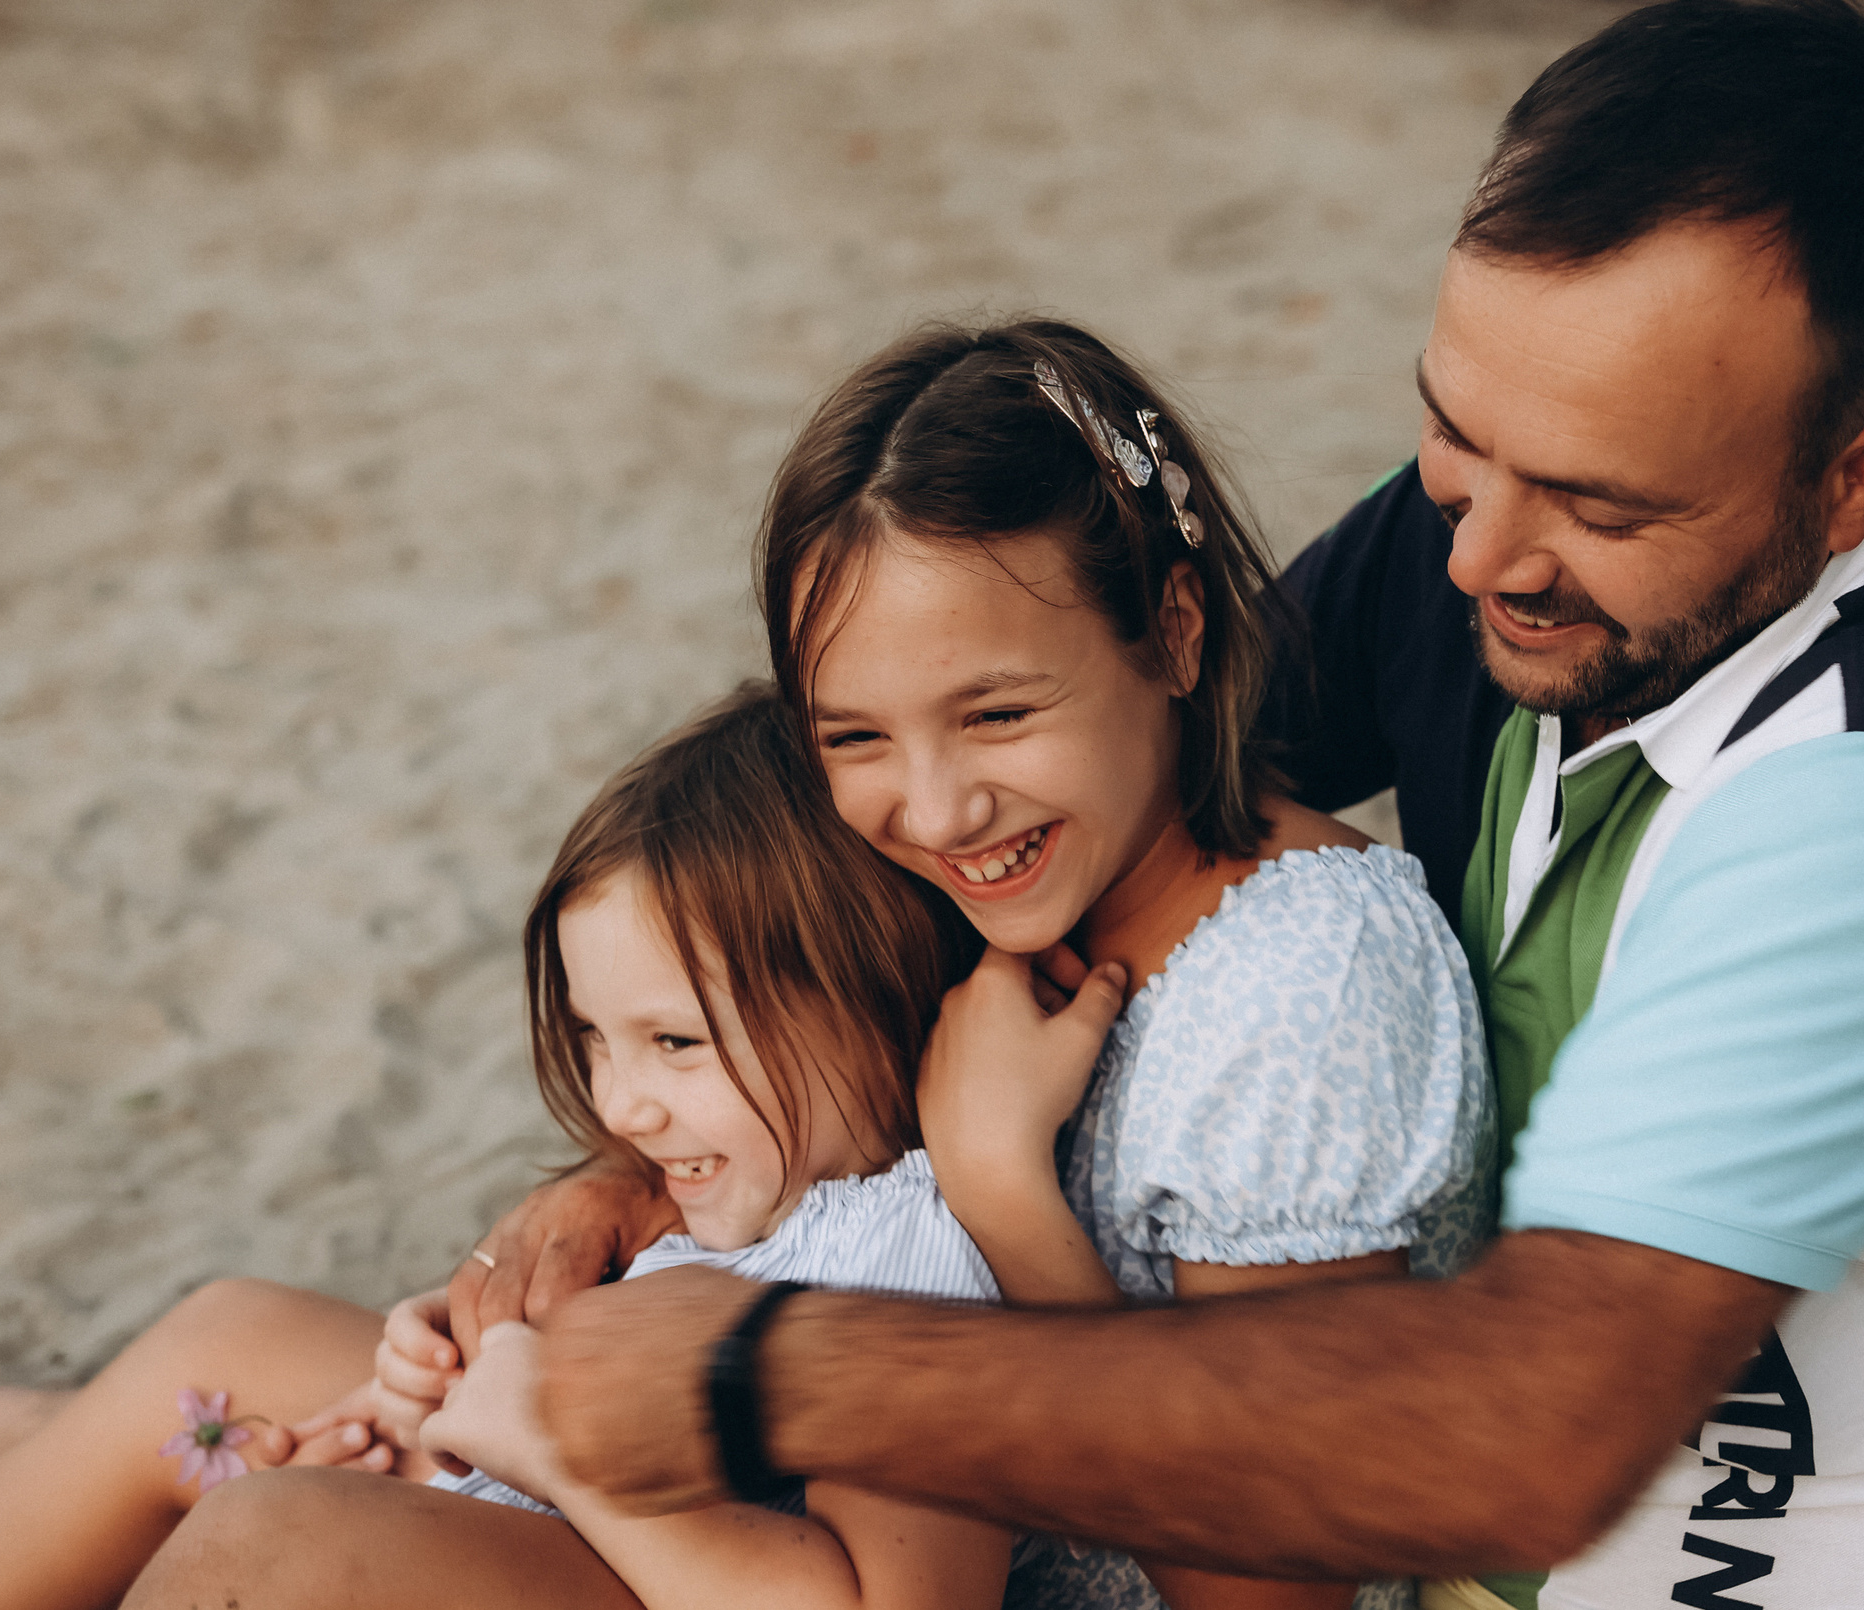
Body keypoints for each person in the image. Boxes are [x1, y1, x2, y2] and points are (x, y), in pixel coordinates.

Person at [142, 2, 1864, 1607]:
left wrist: (751, 1366)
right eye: (1454, 431)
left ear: (1858, 474)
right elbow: (1023, 779)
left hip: (1747, 1564)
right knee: (169, 1412)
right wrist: (609, 1191)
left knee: (292, 1553)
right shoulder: (1502, 576)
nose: (1479, 549)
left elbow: (1512, 1432)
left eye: (1592, 497)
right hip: (1209, 1478)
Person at [132, 319, 1494, 1610]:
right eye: (856, 737)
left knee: (276, 1540)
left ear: (1179, 631)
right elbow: (789, 1068)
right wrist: (605, 1201)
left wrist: (1009, 1198)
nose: (938, 805)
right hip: (829, 1498)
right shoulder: (1019, 868)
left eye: (999, 712)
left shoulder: (1299, 996)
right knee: (219, 1352)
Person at [0, 685, 1017, 1610]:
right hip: (574, 1525)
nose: (622, 1106)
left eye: (675, 1042)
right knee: (224, 1347)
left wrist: (553, 1442)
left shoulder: (906, 1262)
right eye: (599, 1039)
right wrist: (460, 1375)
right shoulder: (774, 1196)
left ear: (873, 997)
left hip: (637, 1554)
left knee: (275, 1536)